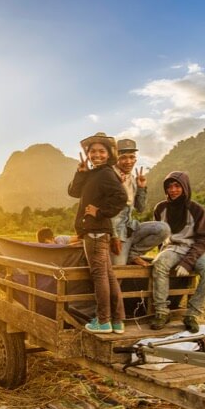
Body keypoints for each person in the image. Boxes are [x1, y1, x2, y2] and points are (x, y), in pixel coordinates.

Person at [68, 133, 128, 334]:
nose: (96, 155)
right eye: (92, 151)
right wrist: (80, 172)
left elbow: (121, 197)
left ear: (109, 154)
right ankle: (117, 321)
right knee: (108, 275)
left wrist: (100, 212)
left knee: (100, 275)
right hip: (98, 232)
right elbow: (74, 192)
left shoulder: (105, 173)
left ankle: (103, 321)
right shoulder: (94, 173)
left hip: (95, 232)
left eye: (101, 151)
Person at [150, 171, 205, 332]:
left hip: (195, 249)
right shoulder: (161, 208)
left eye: (177, 186)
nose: (173, 190)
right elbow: (158, 234)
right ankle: (162, 311)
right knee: (159, 263)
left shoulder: (198, 210)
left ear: (185, 187)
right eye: (169, 187)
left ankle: (192, 314)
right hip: (172, 248)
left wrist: (188, 262)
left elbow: (203, 240)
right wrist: (161, 252)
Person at [111, 139, 169, 266]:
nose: (128, 161)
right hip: (117, 233)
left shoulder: (132, 178)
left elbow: (140, 208)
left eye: (132, 157)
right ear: (116, 159)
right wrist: (114, 236)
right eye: (123, 157)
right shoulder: (110, 176)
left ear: (135, 159)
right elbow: (109, 213)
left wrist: (141, 188)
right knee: (119, 268)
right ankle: (125, 254)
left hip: (131, 229)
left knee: (163, 229)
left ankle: (133, 254)